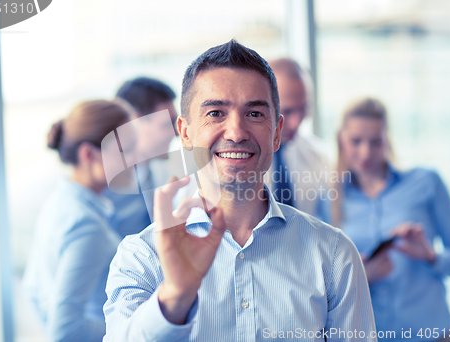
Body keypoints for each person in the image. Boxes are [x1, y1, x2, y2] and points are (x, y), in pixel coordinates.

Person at [103, 40, 376, 342]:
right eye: (216, 113)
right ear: (184, 133)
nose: (236, 132)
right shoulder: (140, 257)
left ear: (277, 133)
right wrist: (174, 298)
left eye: (255, 114)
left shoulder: (335, 255)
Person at [330, 97, 450, 342]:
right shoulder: (329, 200)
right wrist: (361, 276)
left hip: (431, 333)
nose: (365, 151)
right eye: (356, 141)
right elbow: (324, 286)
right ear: (341, 139)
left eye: (376, 142)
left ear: (387, 140)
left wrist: (430, 255)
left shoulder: (426, 182)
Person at [23, 100, 134, 342]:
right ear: (88, 154)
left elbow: (33, 289)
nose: (135, 161)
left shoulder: (59, 202)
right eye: (126, 150)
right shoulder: (87, 225)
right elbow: (64, 331)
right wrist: (131, 328)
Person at [103, 77, 179, 238]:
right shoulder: (107, 186)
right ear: (135, 121)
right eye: (168, 124)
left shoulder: (160, 172)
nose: (178, 132)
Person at [264, 58, 330, 215]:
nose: (295, 123)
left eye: (303, 109)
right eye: (287, 111)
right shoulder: (231, 161)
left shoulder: (319, 157)